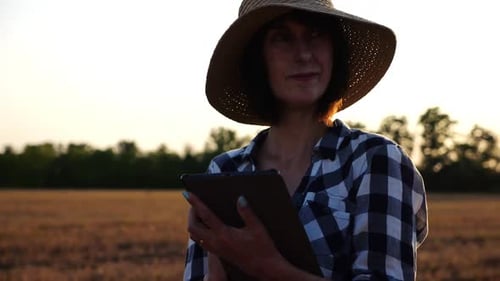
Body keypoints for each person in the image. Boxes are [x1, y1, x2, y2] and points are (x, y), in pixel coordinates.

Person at [182, 0, 428, 280]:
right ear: (257, 59)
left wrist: (267, 267)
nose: (303, 54)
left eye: (316, 34)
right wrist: (217, 253)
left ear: (335, 51)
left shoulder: (374, 160)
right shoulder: (223, 172)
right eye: (282, 38)